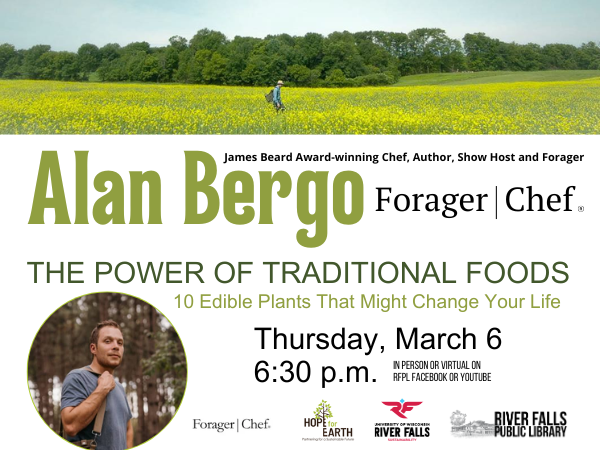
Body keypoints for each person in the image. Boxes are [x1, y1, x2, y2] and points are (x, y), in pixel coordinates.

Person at [61, 320, 133, 450]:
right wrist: (102, 389)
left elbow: (128, 429)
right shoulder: (77, 377)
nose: (116, 346)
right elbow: (70, 426)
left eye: (120, 343)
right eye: (108, 341)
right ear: (93, 348)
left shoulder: (120, 388)